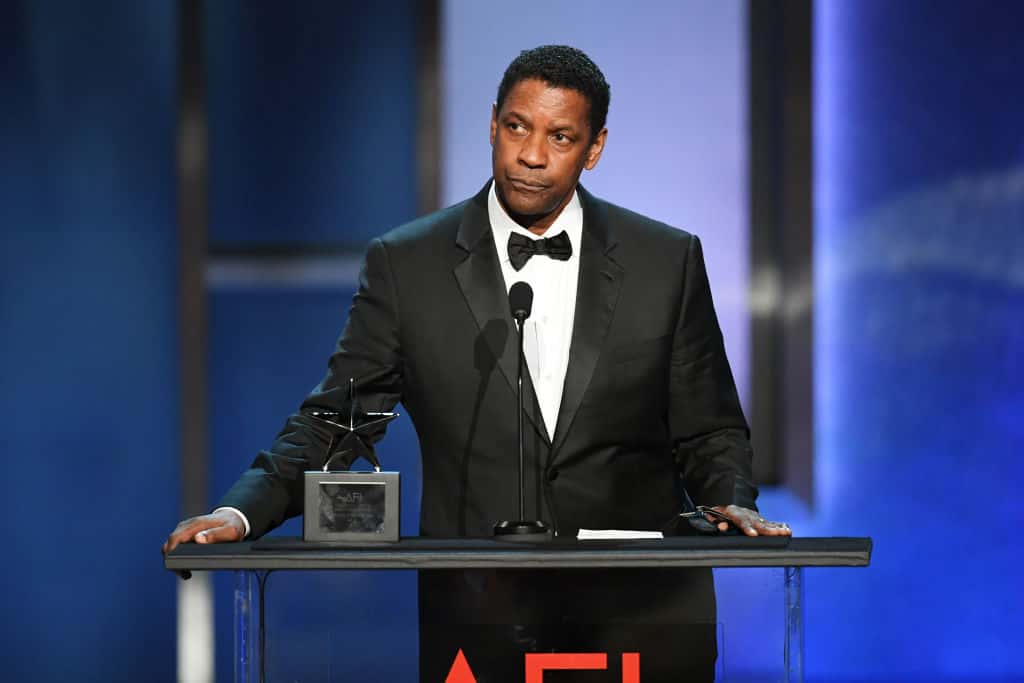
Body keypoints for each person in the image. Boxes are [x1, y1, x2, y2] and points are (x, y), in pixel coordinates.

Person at [164, 45, 790, 681]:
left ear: (594, 148)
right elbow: (335, 422)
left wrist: (729, 505)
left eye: (561, 136)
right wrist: (239, 513)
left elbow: (709, 429)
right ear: (493, 123)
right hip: (483, 624)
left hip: (643, 619)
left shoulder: (666, 260)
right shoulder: (409, 265)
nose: (532, 155)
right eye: (518, 127)